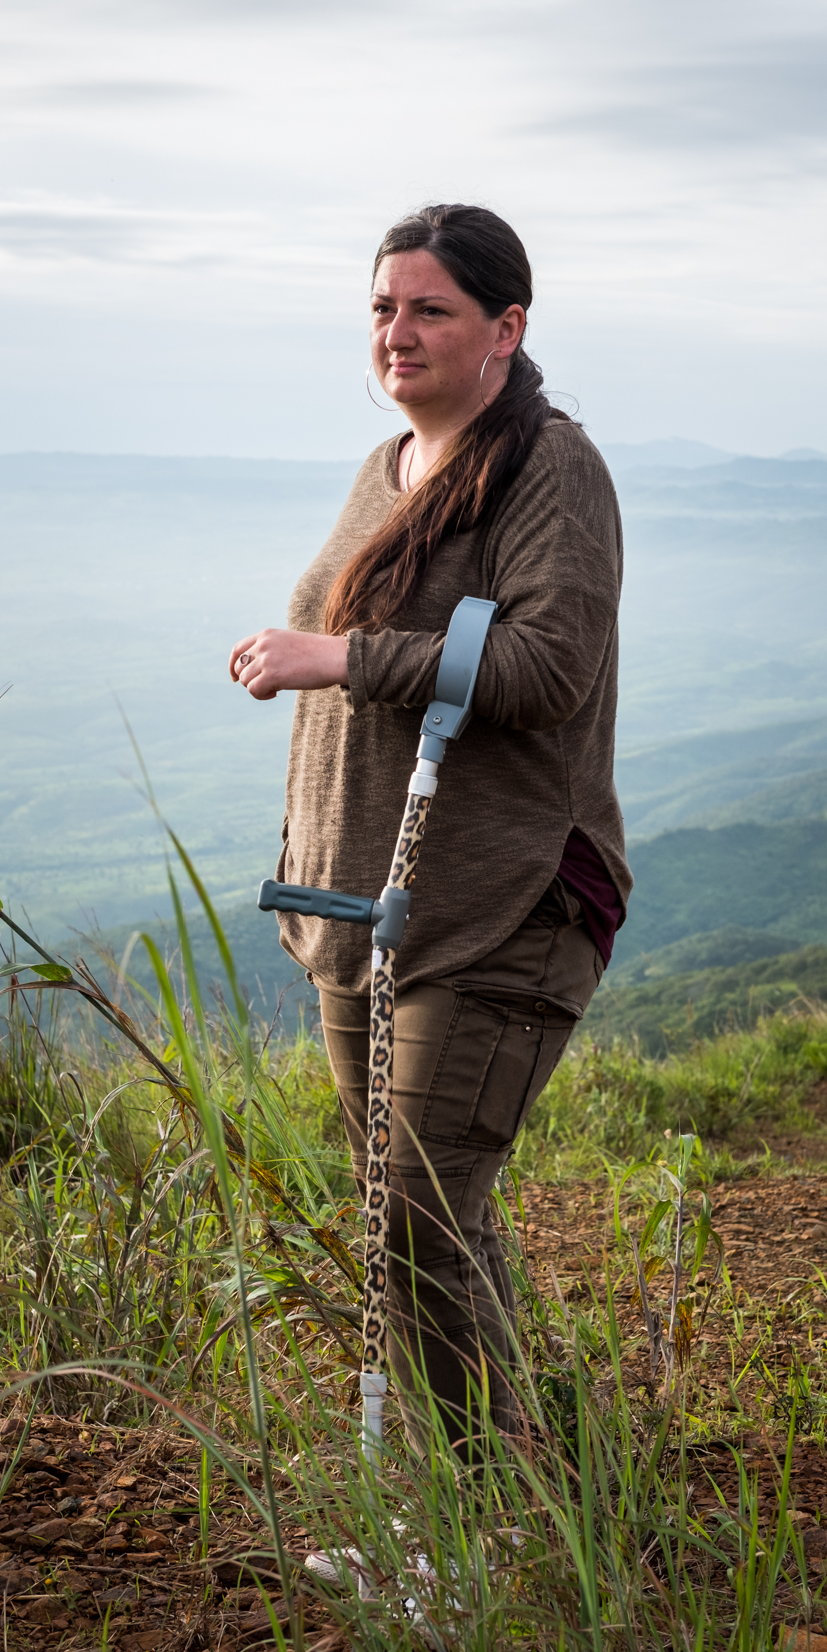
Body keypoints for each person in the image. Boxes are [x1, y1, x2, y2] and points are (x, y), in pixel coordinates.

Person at [229, 202, 630, 1459]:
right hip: (364, 904)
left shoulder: (546, 466)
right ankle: (517, 1470)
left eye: (429, 309)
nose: (396, 332)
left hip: (502, 898)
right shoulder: (392, 463)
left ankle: (483, 1518)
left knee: (417, 1209)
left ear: (504, 329)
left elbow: (547, 664)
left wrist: (337, 654)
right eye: (382, 308)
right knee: (417, 1208)